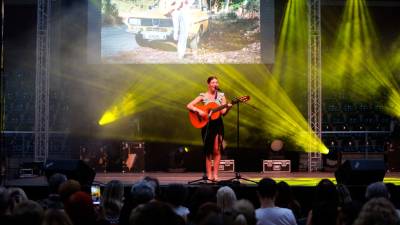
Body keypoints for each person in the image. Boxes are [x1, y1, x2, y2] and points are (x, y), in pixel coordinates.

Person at [187, 76, 232, 181]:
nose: (215, 84)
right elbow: (189, 105)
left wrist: (228, 108)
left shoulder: (221, 96)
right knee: (208, 151)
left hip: (218, 124)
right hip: (207, 125)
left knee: (217, 150)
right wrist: (199, 111)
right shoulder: (203, 95)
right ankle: (209, 175)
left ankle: (215, 175)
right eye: (213, 82)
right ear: (209, 84)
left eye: (216, 82)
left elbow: (223, 113)